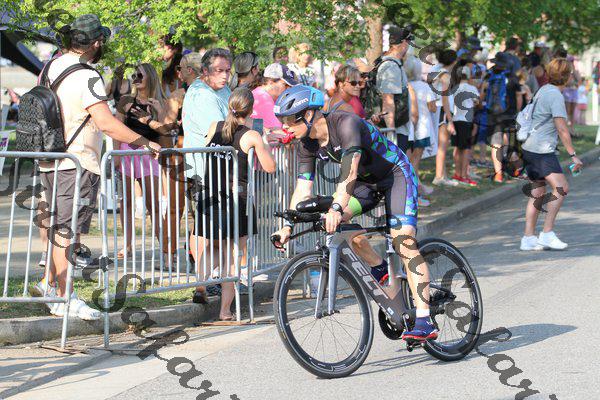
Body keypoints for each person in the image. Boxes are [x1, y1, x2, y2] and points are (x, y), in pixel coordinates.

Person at [271, 85, 438, 341]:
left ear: (310, 114)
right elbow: (303, 188)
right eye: (282, 121)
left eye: (290, 120)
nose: (285, 127)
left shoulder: (346, 123)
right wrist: (287, 226)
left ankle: (425, 320)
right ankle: (380, 268)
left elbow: (349, 172)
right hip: (365, 184)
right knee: (344, 231)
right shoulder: (307, 144)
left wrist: (337, 207)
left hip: (394, 175)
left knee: (403, 242)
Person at [33, 14, 161, 320]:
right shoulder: (87, 76)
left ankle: (49, 284)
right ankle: (65, 296)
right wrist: (145, 142)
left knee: (58, 228)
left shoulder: (51, 66)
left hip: (50, 157)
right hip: (77, 161)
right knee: (68, 232)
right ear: (96, 42)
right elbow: (106, 123)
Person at [190, 88, 276, 318]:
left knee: (213, 246)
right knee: (231, 254)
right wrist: (263, 140)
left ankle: (200, 284)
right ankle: (225, 311)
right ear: (251, 110)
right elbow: (270, 167)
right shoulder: (251, 135)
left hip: (210, 196)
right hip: (235, 200)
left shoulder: (214, 127)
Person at [114, 63, 175, 266]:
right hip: (126, 152)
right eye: (134, 75)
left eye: (140, 75)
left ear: (150, 77)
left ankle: (165, 250)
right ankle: (127, 245)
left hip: (149, 155)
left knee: (153, 204)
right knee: (126, 201)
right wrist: (115, 155)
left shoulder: (160, 102)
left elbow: (166, 133)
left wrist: (160, 111)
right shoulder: (125, 101)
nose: (136, 78)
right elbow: (116, 128)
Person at [520, 58, 583, 251]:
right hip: (542, 150)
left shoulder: (543, 89)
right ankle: (547, 233)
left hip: (529, 148)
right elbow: (562, 129)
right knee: (561, 187)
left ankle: (528, 238)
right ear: (567, 76)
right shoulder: (555, 95)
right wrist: (573, 155)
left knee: (537, 193)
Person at [182, 48, 232, 180]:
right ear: (205, 70)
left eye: (227, 71)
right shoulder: (201, 95)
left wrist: (262, 130)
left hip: (220, 168)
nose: (225, 76)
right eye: (219, 70)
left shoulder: (223, 87)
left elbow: (238, 116)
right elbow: (221, 132)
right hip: (204, 172)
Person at [481, 52, 522, 183]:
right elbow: (519, 96)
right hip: (510, 115)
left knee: (496, 144)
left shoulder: (489, 75)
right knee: (510, 143)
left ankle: (498, 174)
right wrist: (518, 112)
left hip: (493, 115)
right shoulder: (512, 77)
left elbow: (483, 94)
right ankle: (515, 168)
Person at [377, 25, 413, 153]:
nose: (409, 46)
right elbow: (388, 100)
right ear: (403, 43)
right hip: (394, 131)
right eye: (408, 42)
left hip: (396, 129)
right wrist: (391, 135)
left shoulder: (391, 64)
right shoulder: (391, 67)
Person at [405, 57, 435, 202]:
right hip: (422, 128)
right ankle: (415, 192)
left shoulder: (405, 85)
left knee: (409, 160)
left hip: (407, 128)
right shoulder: (424, 87)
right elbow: (433, 107)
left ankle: (417, 187)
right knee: (415, 161)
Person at [430, 49, 458, 186]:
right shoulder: (445, 75)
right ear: (454, 61)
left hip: (439, 110)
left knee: (442, 145)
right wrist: (450, 120)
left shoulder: (437, 70)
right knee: (442, 145)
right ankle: (439, 176)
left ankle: (443, 175)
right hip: (443, 110)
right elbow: (445, 99)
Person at [451, 65, 480, 186]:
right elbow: (477, 102)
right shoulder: (472, 88)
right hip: (466, 120)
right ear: (469, 75)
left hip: (455, 120)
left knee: (457, 147)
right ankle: (464, 175)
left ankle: (457, 173)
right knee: (466, 149)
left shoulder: (454, 88)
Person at [250, 63, 298, 131]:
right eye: (285, 85)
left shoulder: (265, 95)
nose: (289, 89)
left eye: (290, 86)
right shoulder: (262, 99)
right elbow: (276, 132)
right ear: (270, 82)